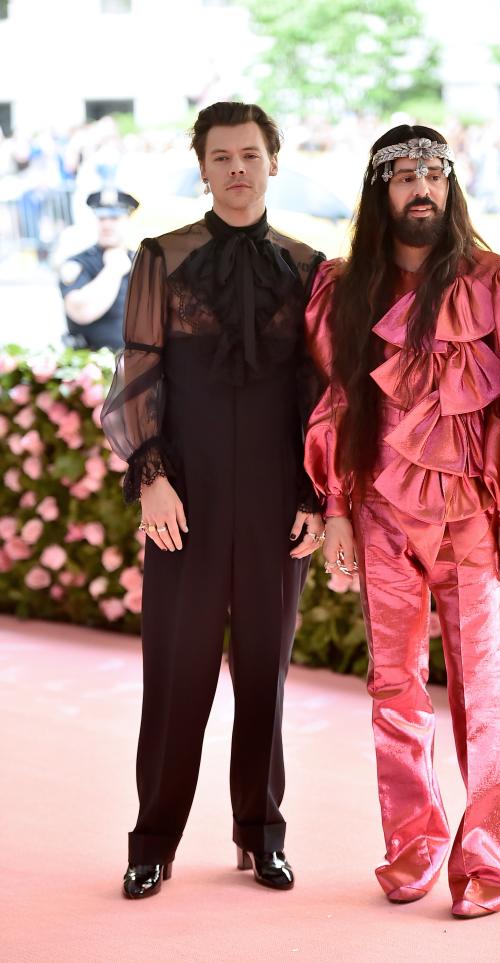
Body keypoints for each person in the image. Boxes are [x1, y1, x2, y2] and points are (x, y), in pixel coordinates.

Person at [304, 126, 500, 919]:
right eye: (404, 175)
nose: (422, 187)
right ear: (379, 190)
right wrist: (338, 512)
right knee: (393, 686)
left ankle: (491, 854)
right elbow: (335, 407)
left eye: (435, 172)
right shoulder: (345, 290)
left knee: (479, 692)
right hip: (382, 517)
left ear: (452, 186)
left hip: (470, 523)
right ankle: (414, 841)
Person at [101, 102, 325, 900]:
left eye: (250, 154)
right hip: (184, 496)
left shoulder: (310, 265)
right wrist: (150, 472)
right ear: (201, 167)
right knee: (176, 671)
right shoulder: (162, 256)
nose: (236, 168)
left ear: (273, 162)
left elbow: (320, 394)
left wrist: (316, 493)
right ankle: (151, 839)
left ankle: (262, 834)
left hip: (276, 500)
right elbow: (135, 373)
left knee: (266, 668)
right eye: (221, 156)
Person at [59, 189, 138, 350]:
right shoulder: (78, 263)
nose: (107, 224)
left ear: (128, 220)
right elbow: (81, 311)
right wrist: (113, 270)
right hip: (92, 367)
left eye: (114, 218)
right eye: (102, 218)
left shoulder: (144, 261)